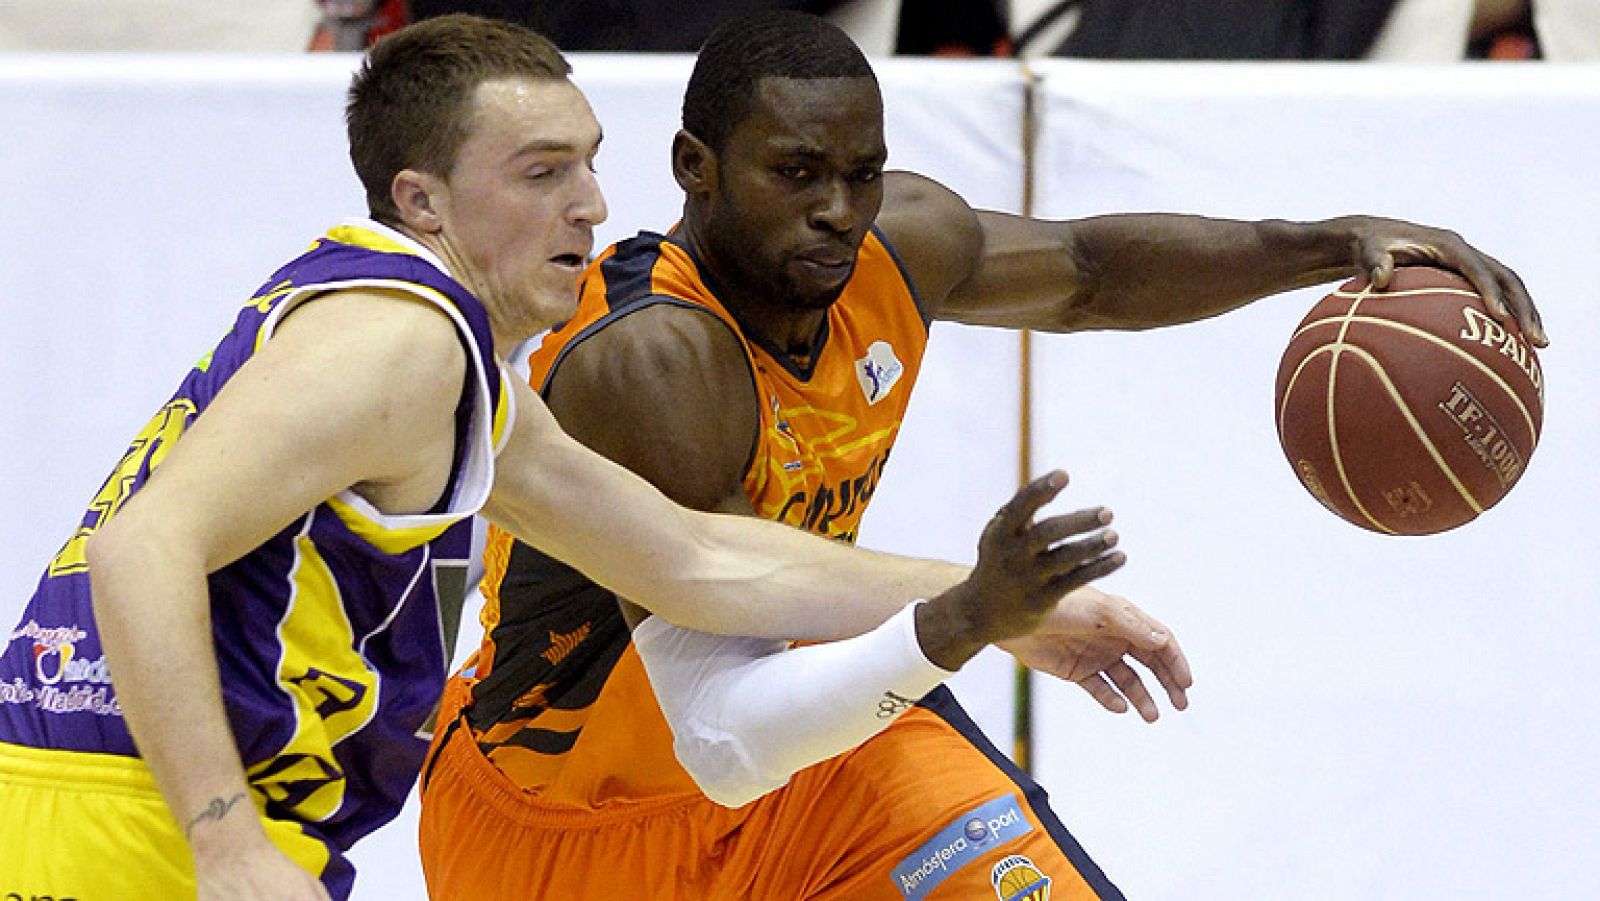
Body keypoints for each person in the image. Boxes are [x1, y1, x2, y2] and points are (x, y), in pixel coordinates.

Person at [0, 14, 1153, 901]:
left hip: (129, 798)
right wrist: (225, 837)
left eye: (591, 164)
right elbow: (140, 545)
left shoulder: (449, 367)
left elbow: (697, 560)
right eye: (542, 172)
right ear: (424, 199)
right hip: (132, 815)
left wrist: (986, 603)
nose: (593, 204)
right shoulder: (402, 342)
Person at [416, 10, 1548, 901]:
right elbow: (721, 724)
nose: (838, 211)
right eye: (796, 173)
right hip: (573, 825)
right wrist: (970, 614)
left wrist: (1330, 244)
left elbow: (1091, 274)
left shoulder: (890, 246)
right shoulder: (650, 359)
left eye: (861, 172)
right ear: (695, 168)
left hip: (809, 750)